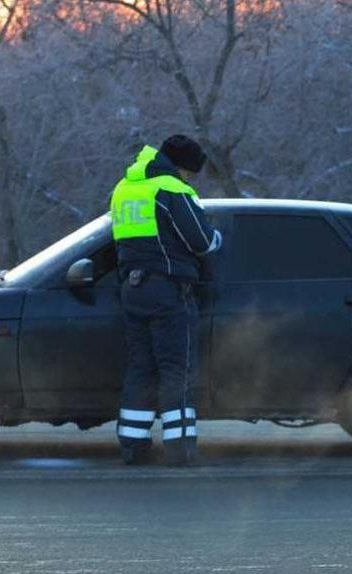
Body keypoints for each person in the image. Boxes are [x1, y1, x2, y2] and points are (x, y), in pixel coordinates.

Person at [109, 135, 222, 466]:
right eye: (189, 173)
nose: (189, 179)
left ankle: (133, 446)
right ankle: (181, 449)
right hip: (169, 291)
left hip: (132, 290)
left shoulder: (124, 189)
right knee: (177, 371)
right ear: (181, 166)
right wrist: (217, 238)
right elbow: (201, 241)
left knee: (140, 368)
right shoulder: (171, 189)